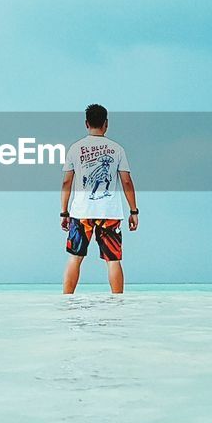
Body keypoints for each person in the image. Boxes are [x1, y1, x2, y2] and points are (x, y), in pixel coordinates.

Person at [60, 104, 138, 294]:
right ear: (106, 124)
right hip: (109, 213)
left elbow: (66, 183)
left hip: (81, 212)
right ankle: (118, 304)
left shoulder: (75, 149)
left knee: (75, 258)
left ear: (86, 123)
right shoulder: (117, 149)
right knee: (113, 260)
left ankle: (66, 302)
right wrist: (133, 210)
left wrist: (64, 212)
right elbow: (126, 182)